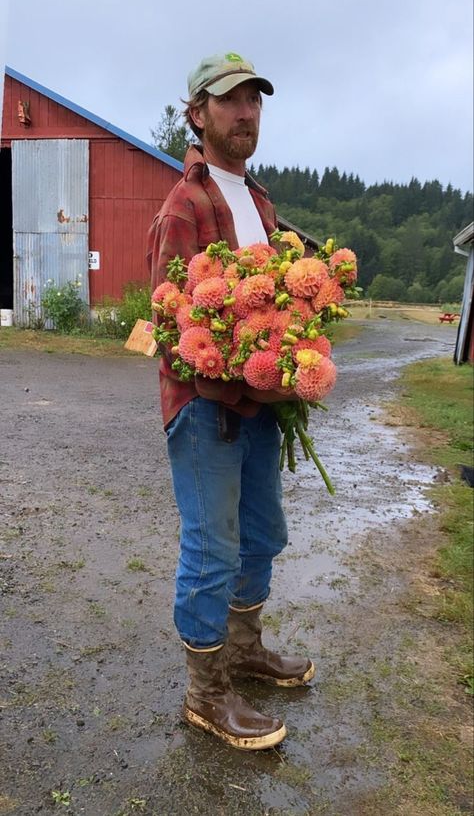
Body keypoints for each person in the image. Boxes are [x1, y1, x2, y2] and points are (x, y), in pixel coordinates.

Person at [147, 52, 315, 751]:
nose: (245, 112)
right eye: (229, 101)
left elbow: (279, 297)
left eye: (254, 101)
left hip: (260, 406)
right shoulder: (185, 202)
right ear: (197, 114)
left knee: (262, 534)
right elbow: (168, 323)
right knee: (213, 548)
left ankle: (243, 651)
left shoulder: (260, 199)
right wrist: (240, 364)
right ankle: (205, 692)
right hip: (207, 408)